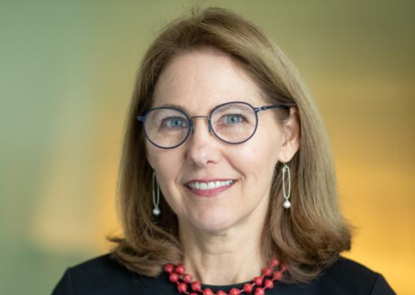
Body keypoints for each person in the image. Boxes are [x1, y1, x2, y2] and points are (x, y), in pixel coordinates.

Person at [51, 7, 395, 295]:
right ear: (146, 148)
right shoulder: (81, 289)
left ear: (288, 136)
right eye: (173, 122)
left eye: (232, 118)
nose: (200, 152)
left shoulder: (361, 292)